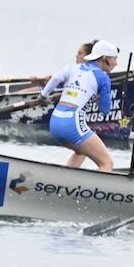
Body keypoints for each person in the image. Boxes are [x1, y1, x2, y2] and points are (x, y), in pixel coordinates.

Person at [43, 41, 119, 171]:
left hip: (55, 122)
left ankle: (64, 182)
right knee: (106, 163)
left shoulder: (72, 67)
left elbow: (55, 79)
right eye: (115, 59)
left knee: (82, 151)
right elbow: (105, 111)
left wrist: (42, 96)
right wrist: (98, 95)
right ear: (105, 59)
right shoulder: (103, 77)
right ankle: (97, 190)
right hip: (72, 125)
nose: (116, 63)